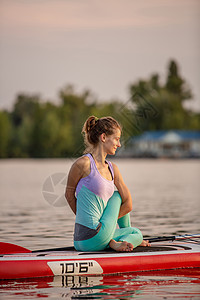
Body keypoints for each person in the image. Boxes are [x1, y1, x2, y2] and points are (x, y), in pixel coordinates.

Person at [65, 116, 150, 252]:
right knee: (135, 231)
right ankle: (126, 239)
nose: (119, 144)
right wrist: (97, 225)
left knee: (117, 198)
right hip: (94, 237)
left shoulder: (112, 168)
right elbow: (128, 203)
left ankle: (115, 241)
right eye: (116, 139)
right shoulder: (83, 164)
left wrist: (101, 224)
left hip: (80, 240)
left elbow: (128, 206)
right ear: (103, 137)